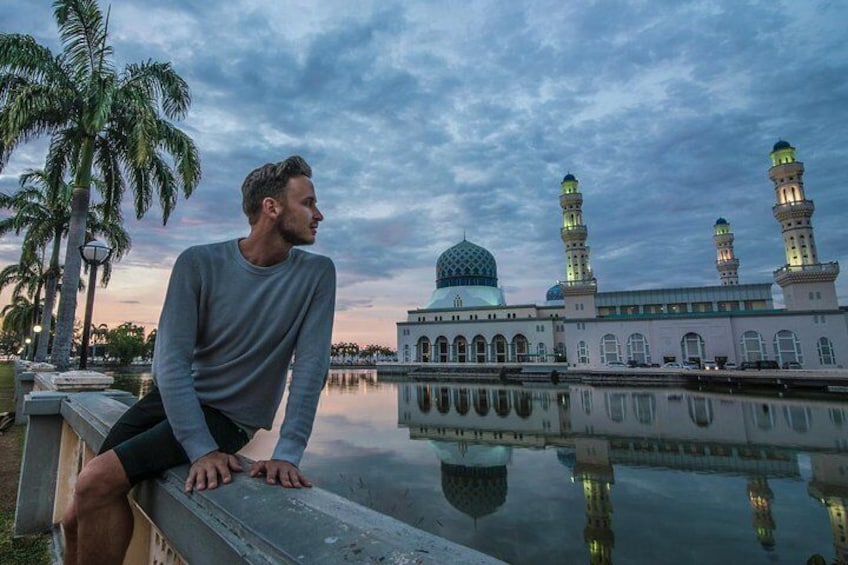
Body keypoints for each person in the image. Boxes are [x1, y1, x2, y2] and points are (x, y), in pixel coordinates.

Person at [61, 155, 336, 564]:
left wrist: (287, 452)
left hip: (228, 418)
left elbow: (311, 368)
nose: (319, 215)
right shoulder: (198, 263)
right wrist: (199, 449)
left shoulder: (317, 275)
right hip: (171, 403)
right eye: (308, 203)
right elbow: (169, 363)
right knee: (76, 511)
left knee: (97, 483)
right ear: (271, 207)